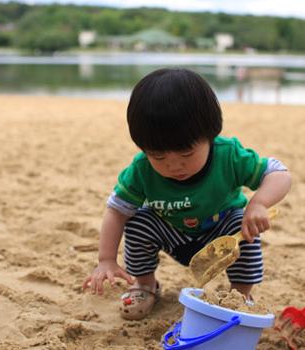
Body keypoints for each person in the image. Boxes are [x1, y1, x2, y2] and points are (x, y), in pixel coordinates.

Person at [83, 68, 291, 320]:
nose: (173, 166)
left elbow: (279, 173)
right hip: (172, 234)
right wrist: (106, 259)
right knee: (138, 221)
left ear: (209, 136)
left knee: (243, 224)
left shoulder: (228, 156)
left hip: (221, 234)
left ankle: (241, 293)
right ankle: (145, 284)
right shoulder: (141, 169)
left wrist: (258, 203)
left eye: (186, 154)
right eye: (158, 156)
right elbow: (116, 211)